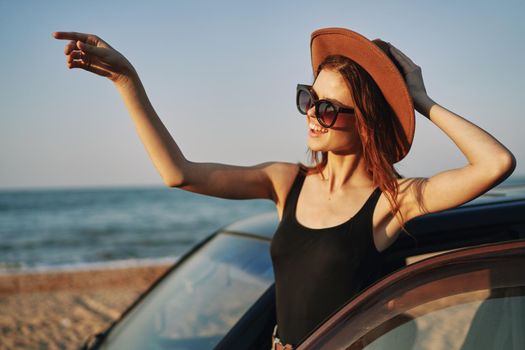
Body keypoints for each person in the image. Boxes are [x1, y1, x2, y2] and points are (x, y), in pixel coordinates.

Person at [52, 27, 516, 349]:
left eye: (329, 108)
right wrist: (125, 79)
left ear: (367, 123)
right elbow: (179, 173)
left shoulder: (392, 202)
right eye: (308, 99)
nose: (313, 114)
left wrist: (418, 98)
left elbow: (496, 163)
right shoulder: (285, 181)